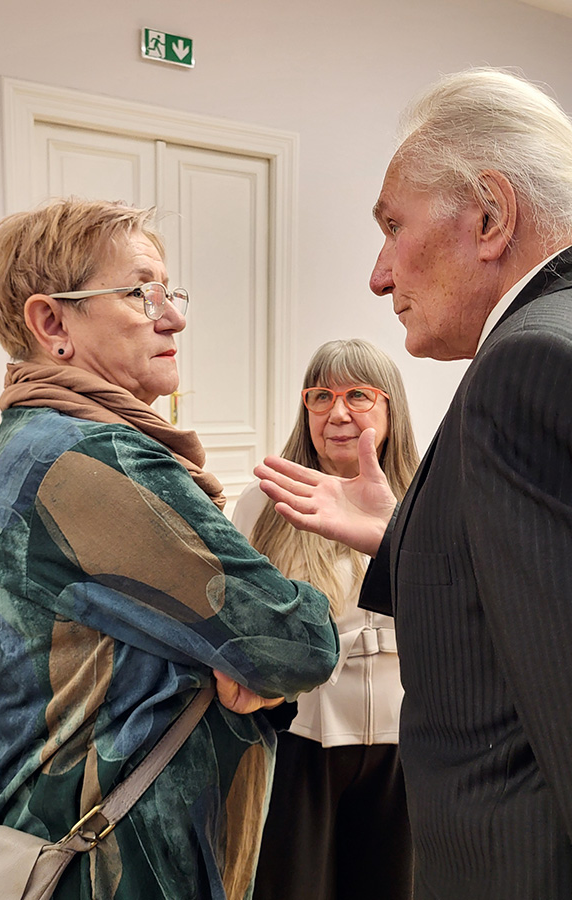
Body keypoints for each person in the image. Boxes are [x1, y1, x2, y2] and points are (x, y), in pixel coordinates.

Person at [253, 68, 572, 899]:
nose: (379, 273)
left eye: (394, 226)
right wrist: (396, 533)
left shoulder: (529, 362)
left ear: (491, 217)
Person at [0, 198, 339, 900]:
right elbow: (299, 642)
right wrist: (245, 658)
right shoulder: (91, 458)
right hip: (113, 868)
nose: (172, 317)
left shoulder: (35, 438)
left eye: (171, 292)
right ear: (53, 324)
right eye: (141, 293)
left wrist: (236, 658)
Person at [233, 338, 418, 900]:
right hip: (301, 740)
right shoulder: (266, 503)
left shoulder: (426, 498)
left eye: (358, 395)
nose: (337, 413)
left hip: (406, 745)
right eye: (321, 396)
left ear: (390, 407)